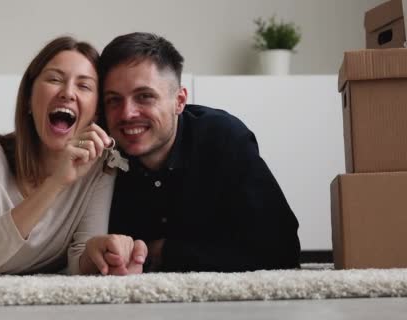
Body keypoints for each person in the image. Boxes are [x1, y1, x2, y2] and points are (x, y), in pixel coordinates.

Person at [0, 36, 146, 277]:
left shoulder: (100, 167)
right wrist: (56, 182)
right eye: (54, 79)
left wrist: (106, 257)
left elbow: (80, 258)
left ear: (95, 113)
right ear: (29, 99)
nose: (68, 93)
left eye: (84, 86)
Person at [84, 32, 301, 273]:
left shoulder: (224, 138)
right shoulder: (101, 152)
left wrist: (164, 252)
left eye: (144, 96)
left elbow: (282, 249)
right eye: (114, 100)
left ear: (179, 100)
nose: (127, 113)